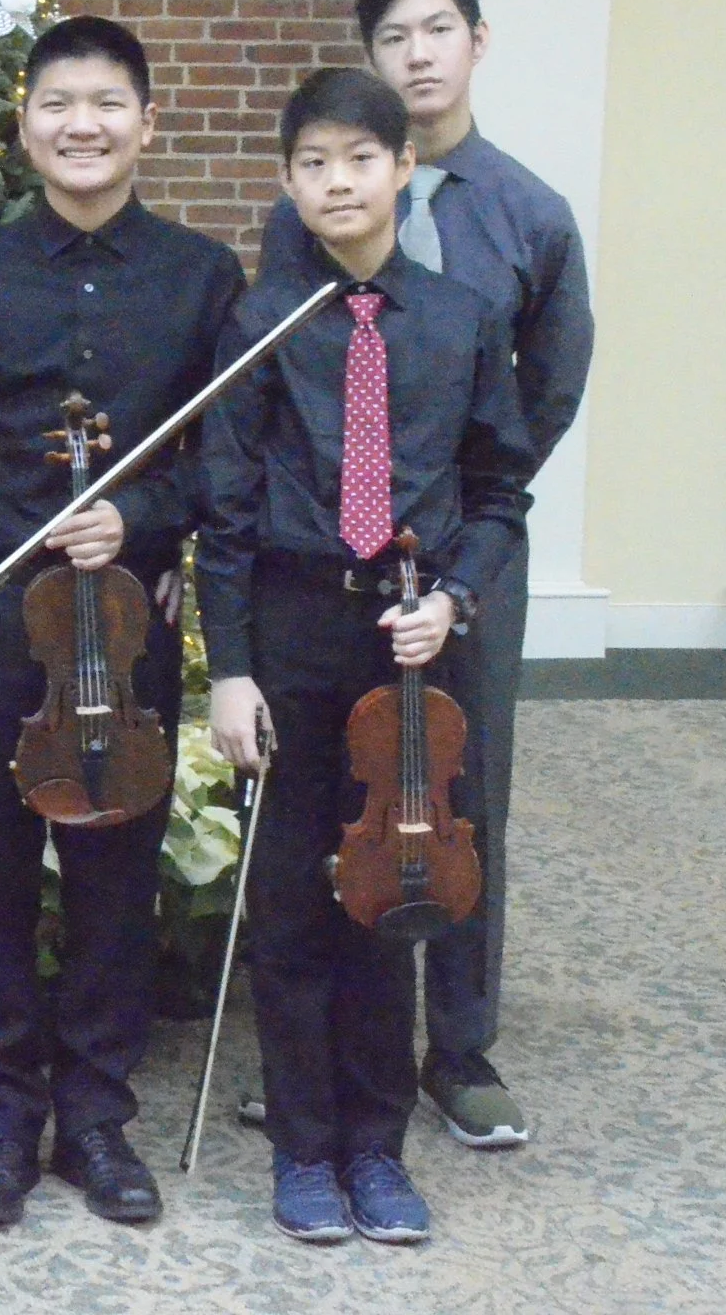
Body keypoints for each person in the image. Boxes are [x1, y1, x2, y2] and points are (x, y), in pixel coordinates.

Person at [0, 16, 245, 1230]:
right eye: (56, 104)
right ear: (23, 125)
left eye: (105, 104)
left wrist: (139, 510)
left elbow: (222, 467)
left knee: (112, 872)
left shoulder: (201, 277)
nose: (80, 125)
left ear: (147, 123)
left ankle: (94, 1118)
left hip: (124, 623)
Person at [252, 0, 593, 1147]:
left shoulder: (529, 213)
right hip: (325, 566)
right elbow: (286, 373)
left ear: (475, 42)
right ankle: (317, 1053)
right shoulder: (307, 210)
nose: (417, 55)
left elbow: (545, 392)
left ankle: (457, 1046)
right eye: (392, 36)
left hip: (462, 552)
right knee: (334, 795)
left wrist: (457, 526)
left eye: (436, 30)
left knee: (456, 785)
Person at [198, 66, 535, 1245]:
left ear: (403, 168)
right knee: (294, 895)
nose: (336, 182)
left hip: (411, 641)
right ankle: (302, 1148)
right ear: (286, 182)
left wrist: (454, 597)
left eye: (358, 159)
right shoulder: (260, 323)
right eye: (311, 163)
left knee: (393, 894)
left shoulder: (459, 320)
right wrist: (229, 668)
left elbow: (498, 493)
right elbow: (223, 512)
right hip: (293, 628)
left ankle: (376, 1149)